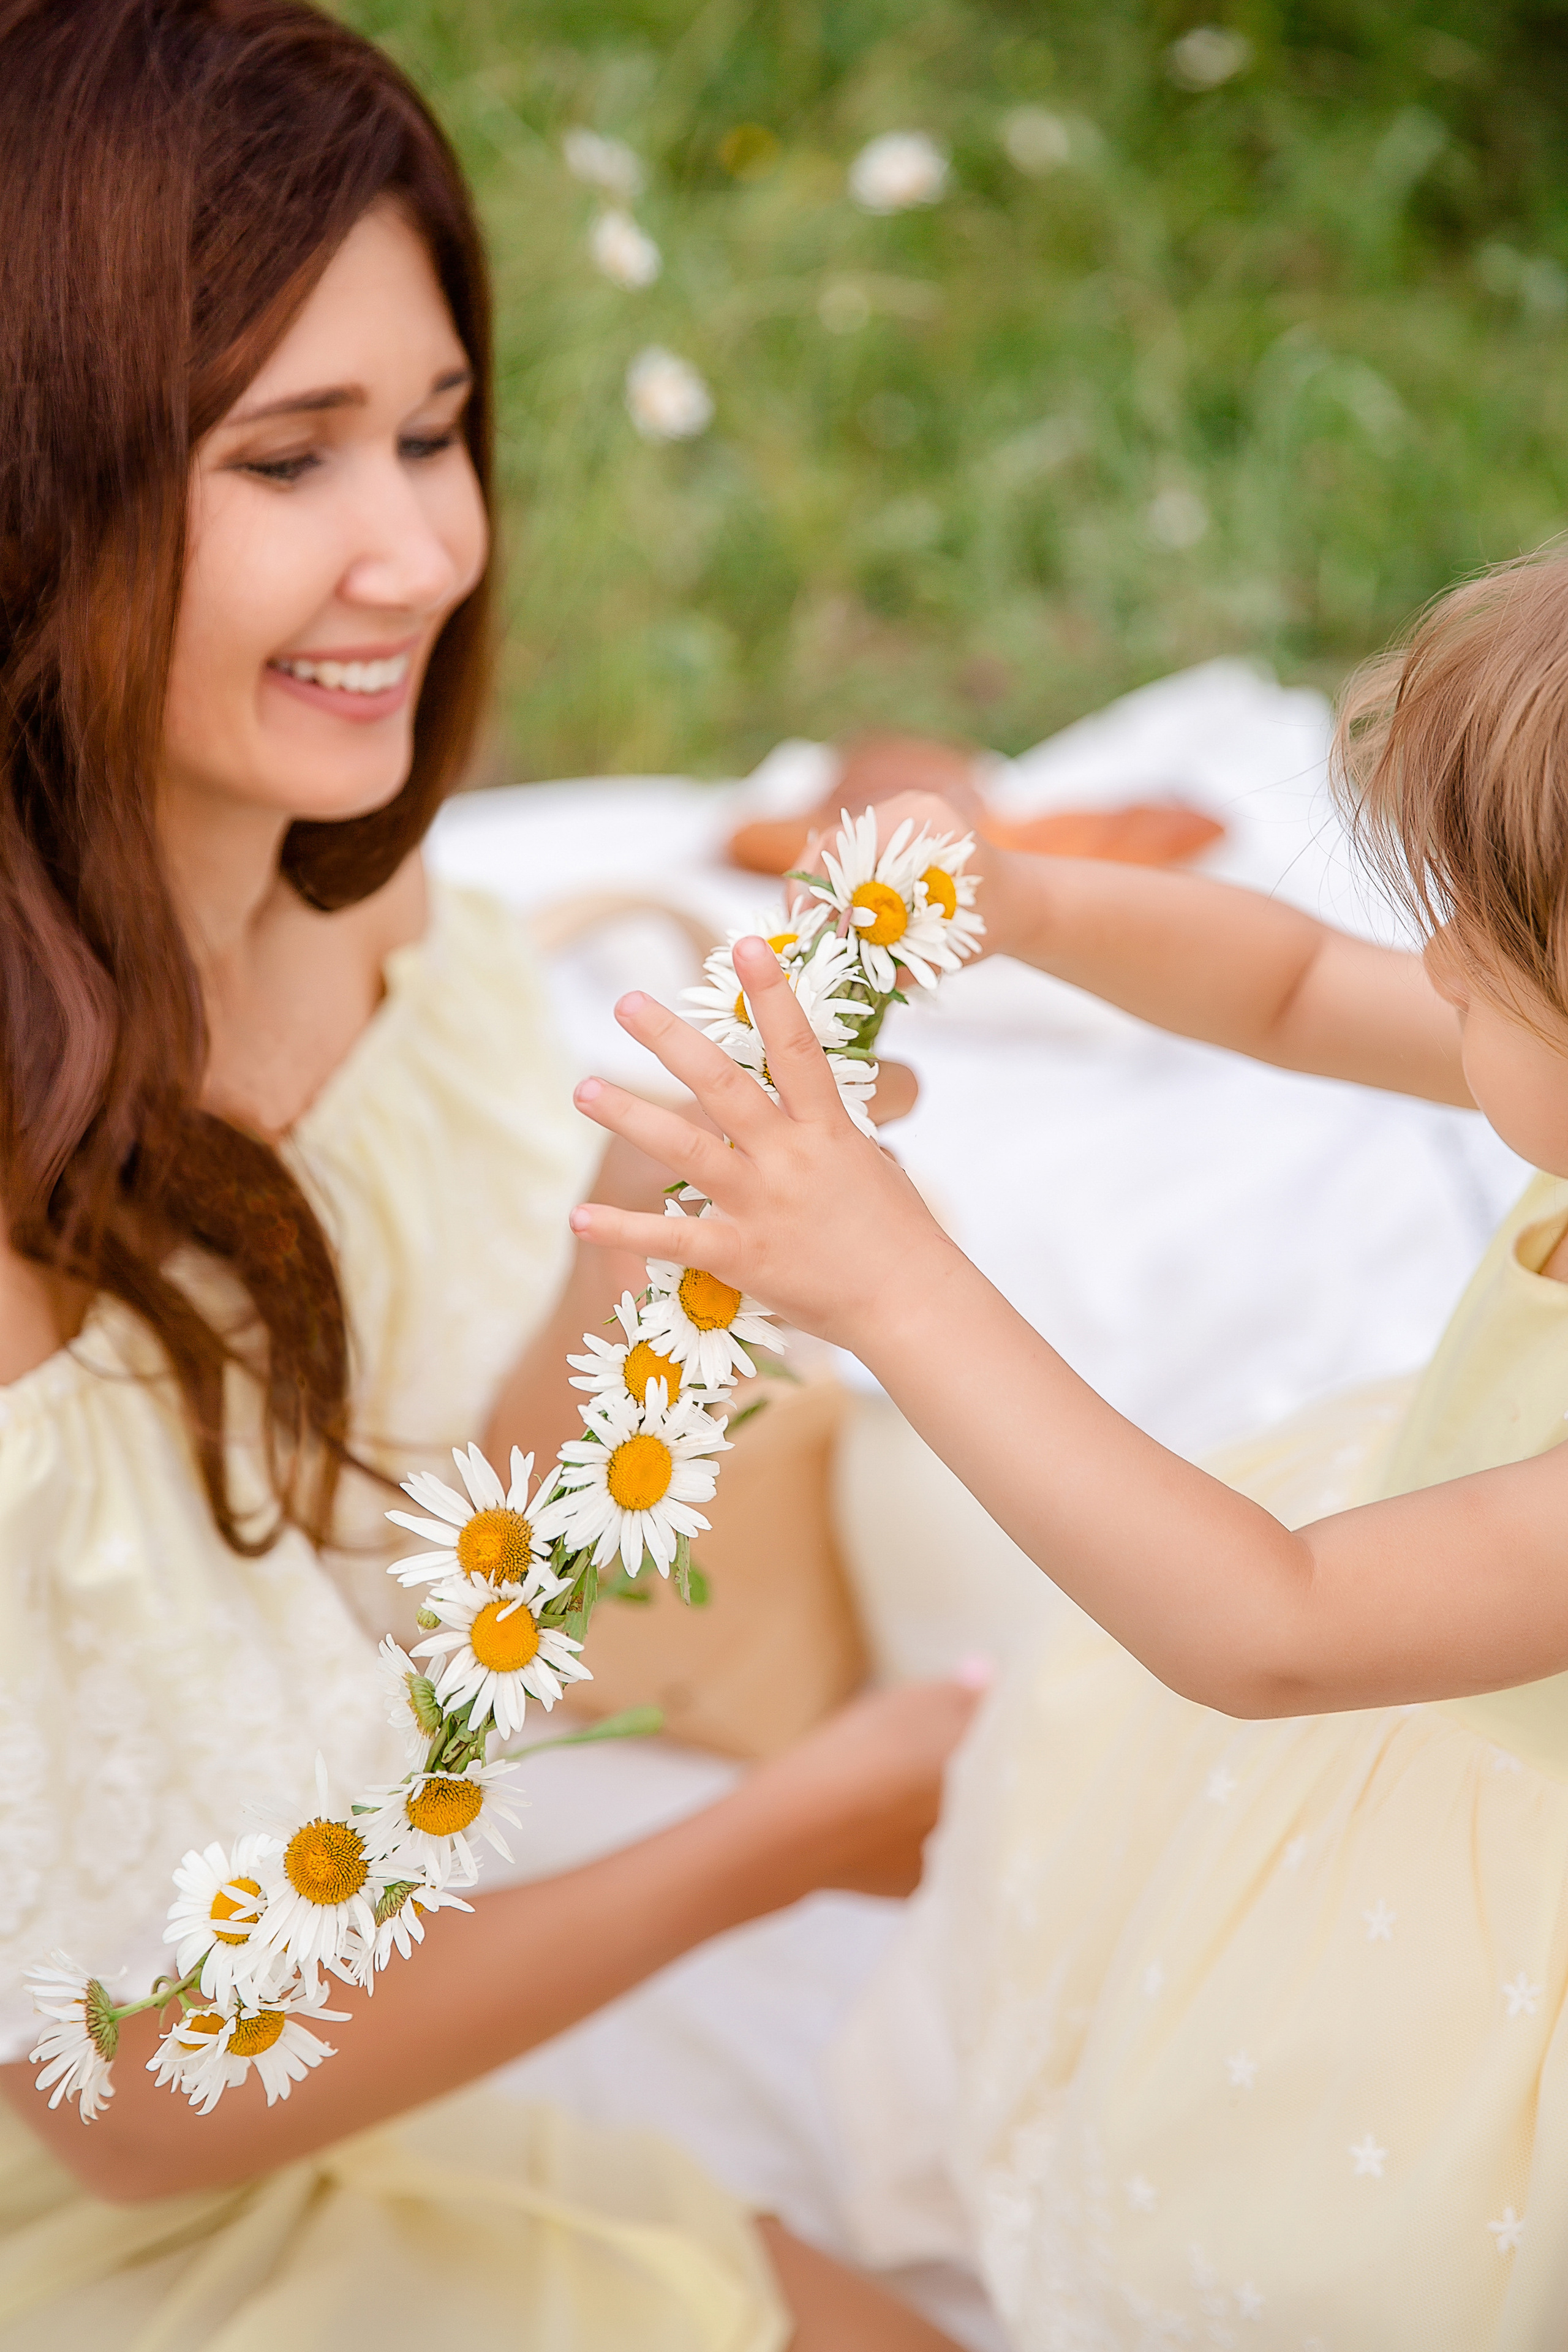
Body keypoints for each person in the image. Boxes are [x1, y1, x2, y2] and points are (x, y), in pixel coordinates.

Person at [0, 5, 979, 2345]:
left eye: (436, 433)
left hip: (337, 1903)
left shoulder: (372, 904)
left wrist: (680, 1230)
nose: (423, 551)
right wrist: (789, 1841)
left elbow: (431, 1564)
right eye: (289, 458)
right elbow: (131, 2086)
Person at [569, 547, 1568, 2350]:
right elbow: (1282, 987)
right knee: (1109, 1984)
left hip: (1471, 1939)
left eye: (1487, 965)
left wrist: (887, 1277)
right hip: (1375, 1743)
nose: (1427, 967)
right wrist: (1015, 899)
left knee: (1277, 2204)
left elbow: (1278, 1628)